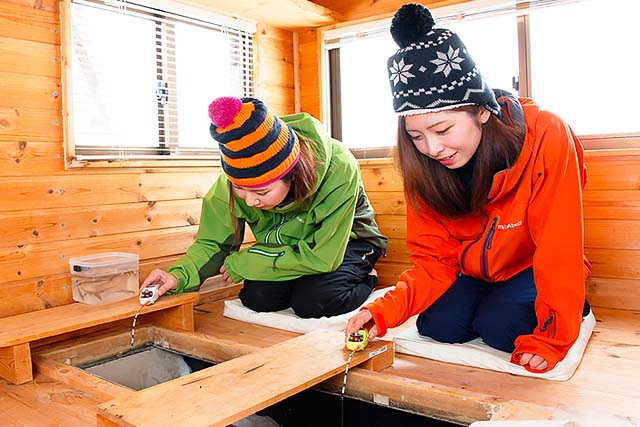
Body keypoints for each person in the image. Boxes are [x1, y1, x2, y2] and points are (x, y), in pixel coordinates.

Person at [346, 3, 591, 373]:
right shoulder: (423, 165)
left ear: (481, 111)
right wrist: (381, 311)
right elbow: (432, 260)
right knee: (438, 326)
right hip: (475, 270)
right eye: (416, 137)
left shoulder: (546, 134)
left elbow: (559, 245)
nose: (432, 148)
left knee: (501, 326)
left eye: (443, 130)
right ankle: (497, 300)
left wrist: (553, 335)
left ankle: (573, 304)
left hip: (531, 264)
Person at [142, 96, 388, 318]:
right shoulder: (232, 180)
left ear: (293, 175)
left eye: (262, 192)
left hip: (345, 242)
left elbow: (323, 257)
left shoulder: (340, 167)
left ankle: (368, 279)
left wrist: (244, 262)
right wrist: (178, 276)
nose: (250, 201)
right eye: (240, 189)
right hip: (288, 246)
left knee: (314, 302)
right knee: (257, 298)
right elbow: (214, 242)